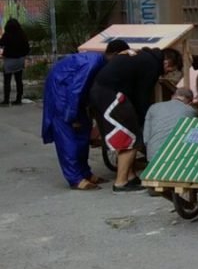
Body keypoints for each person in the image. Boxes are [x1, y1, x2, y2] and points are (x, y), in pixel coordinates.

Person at [90, 47, 183, 193]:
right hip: (110, 96)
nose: (168, 73)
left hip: (101, 93)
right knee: (131, 138)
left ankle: (131, 176)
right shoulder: (152, 65)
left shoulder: (144, 56)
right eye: (170, 69)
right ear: (167, 62)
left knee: (132, 135)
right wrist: (144, 120)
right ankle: (121, 182)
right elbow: (142, 96)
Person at [41, 40, 131, 190]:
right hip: (62, 94)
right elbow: (76, 89)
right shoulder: (92, 63)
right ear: (115, 55)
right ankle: (75, 178)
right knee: (68, 137)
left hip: (74, 98)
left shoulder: (100, 63)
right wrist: (72, 116)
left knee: (83, 134)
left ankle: (85, 172)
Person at [142, 87, 197, 162]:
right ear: (190, 102)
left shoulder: (153, 107)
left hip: (153, 155)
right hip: (177, 156)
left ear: (173, 96)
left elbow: (146, 137)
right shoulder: (190, 110)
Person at [0, 18, 30, 106]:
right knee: (19, 80)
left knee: (7, 81)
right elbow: (27, 48)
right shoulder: (22, 34)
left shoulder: (7, 35)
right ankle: (18, 99)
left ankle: (6, 100)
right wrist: (23, 55)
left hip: (9, 60)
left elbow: (1, 43)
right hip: (19, 60)